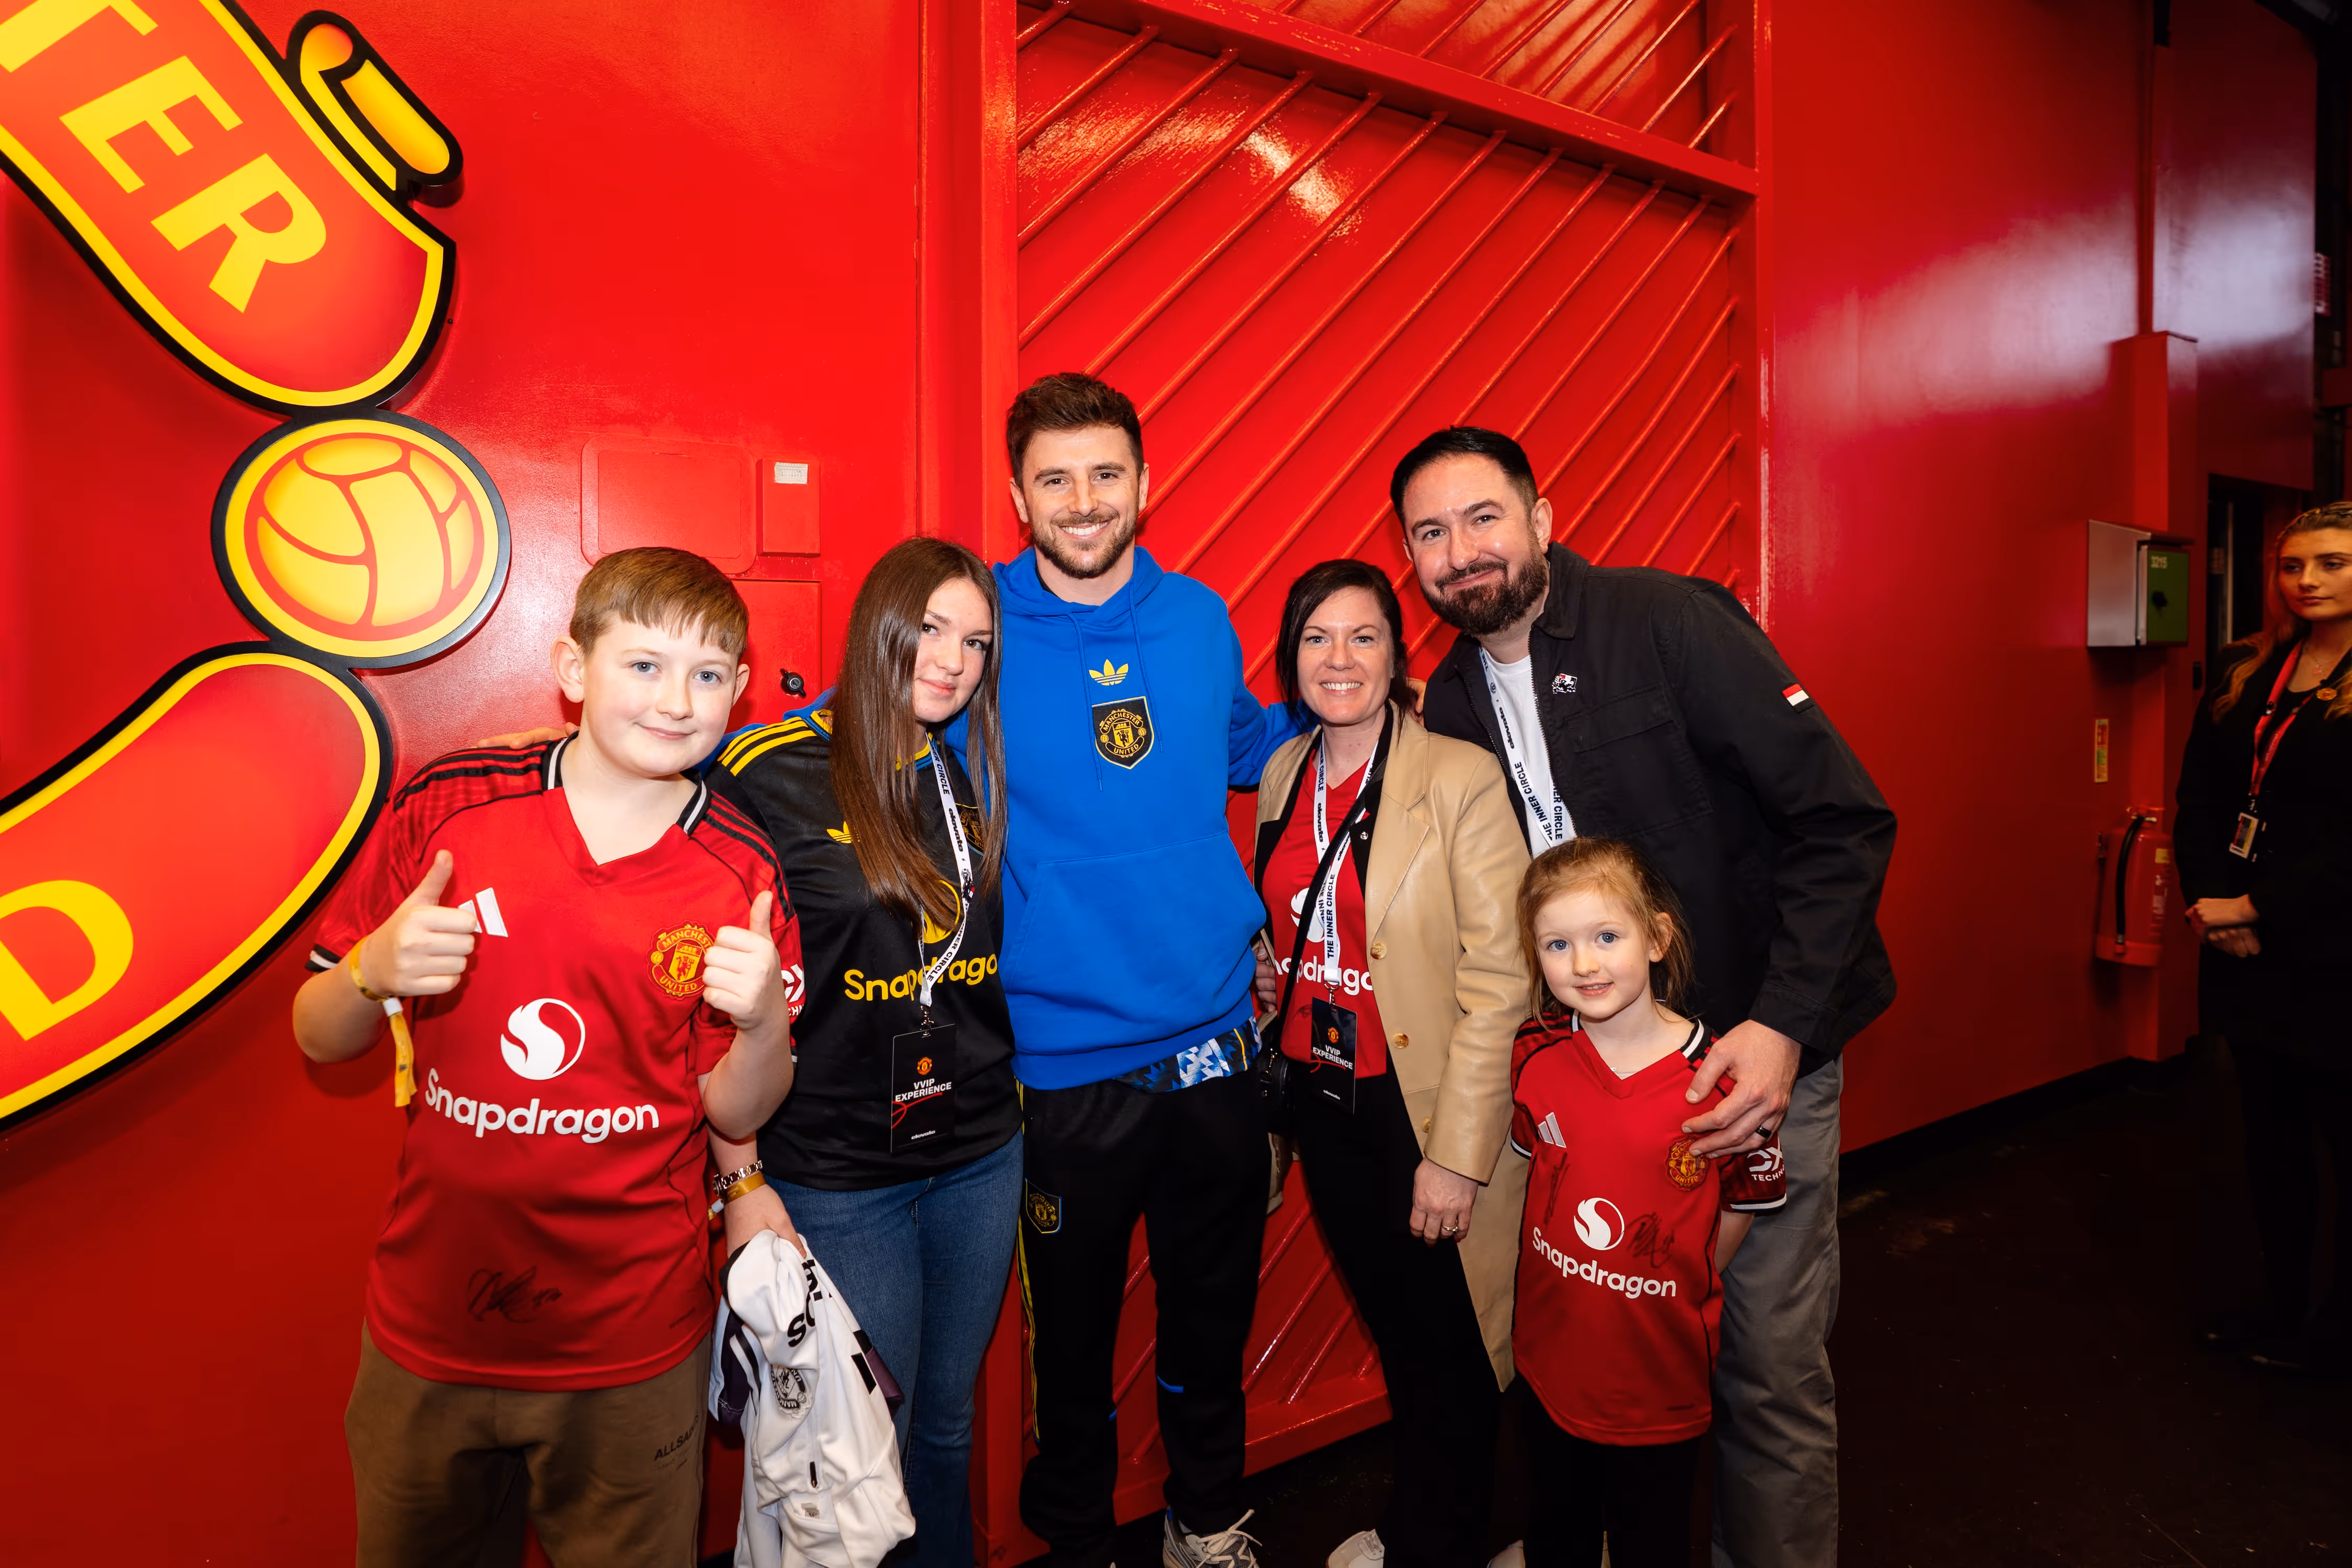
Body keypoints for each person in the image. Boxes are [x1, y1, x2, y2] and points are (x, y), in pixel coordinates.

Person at [1395, 426, 1895, 1568]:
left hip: (1751, 1057)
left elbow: (1846, 822)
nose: (1463, 550)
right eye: (1431, 532)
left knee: (1762, 1366)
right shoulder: (1457, 704)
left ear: (1543, 518)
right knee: (1609, 1342)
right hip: (1601, 1086)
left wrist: (1779, 1032)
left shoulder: (1672, 623)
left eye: (1484, 517)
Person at [291, 547, 803, 1568]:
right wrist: (372, 973)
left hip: (630, 1342)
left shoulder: (740, 867)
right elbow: (315, 1033)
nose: (676, 701)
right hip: (429, 1325)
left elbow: (742, 1108)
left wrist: (759, 1025)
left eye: (708, 675)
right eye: (644, 666)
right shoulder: (452, 807)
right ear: (573, 667)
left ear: (740, 693)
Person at [979, 372, 1300, 1568]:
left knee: (1211, 1316)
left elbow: (1247, 745)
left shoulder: (1198, 616)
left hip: (1216, 1039)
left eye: (1105, 473)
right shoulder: (984, 624)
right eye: (1055, 478)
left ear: (1144, 485)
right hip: (1063, 1066)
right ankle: (1078, 1538)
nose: (1083, 499)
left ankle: (1206, 1520)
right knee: (1068, 1339)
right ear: (1019, 495)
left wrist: (1362, 704)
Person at [700, 538, 1020, 1566]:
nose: (955, 658)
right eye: (931, 627)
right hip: (837, 1173)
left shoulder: (962, 768)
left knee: (946, 1426)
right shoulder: (764, 771)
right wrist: (738, 1174)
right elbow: (715, 1000)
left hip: (979, 1148)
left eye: (976, 641)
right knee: (847, 1449)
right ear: (878, 622)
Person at [1245, 560, 1530, 1568]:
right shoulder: (1286, 774)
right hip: (1327, 1102)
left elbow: (1503, 979)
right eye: (1317, 638)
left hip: (1422, 1107)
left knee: (1455, 1350)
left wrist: (1459, 1155)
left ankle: (1449, 1543)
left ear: (1395, 656)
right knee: (1405, 1339)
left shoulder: (1458, 780)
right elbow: (1295, 922)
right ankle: (1429, 1526)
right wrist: (1278, 975)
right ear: (1291, 660)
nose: (1340, 659)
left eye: (1364, 636)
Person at [1502, 838, 1787, 1568]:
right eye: (1558, 944)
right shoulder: (1533, 1050)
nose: (1586, 964)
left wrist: (1667, 1277)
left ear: (1657, 939)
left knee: (1650, 1539)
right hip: (1548, 1361)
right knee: (1555, 1525)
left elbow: (1744, 1205)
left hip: (1656, 1382)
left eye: (1607, 937)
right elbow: (1540, 1167)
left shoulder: (1724, 1080)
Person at [2176, 502, 2352, 1379]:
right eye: (2294, 566)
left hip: (2336, 952)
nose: (2309, 580)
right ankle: (2282, 1308)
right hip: (2246, 952)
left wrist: (2257, 906)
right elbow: (2201, 796)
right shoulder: (2250, 668)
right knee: (2270, 1139)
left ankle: (2343, 1327)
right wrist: (2214, 900)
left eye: (2333, 563)